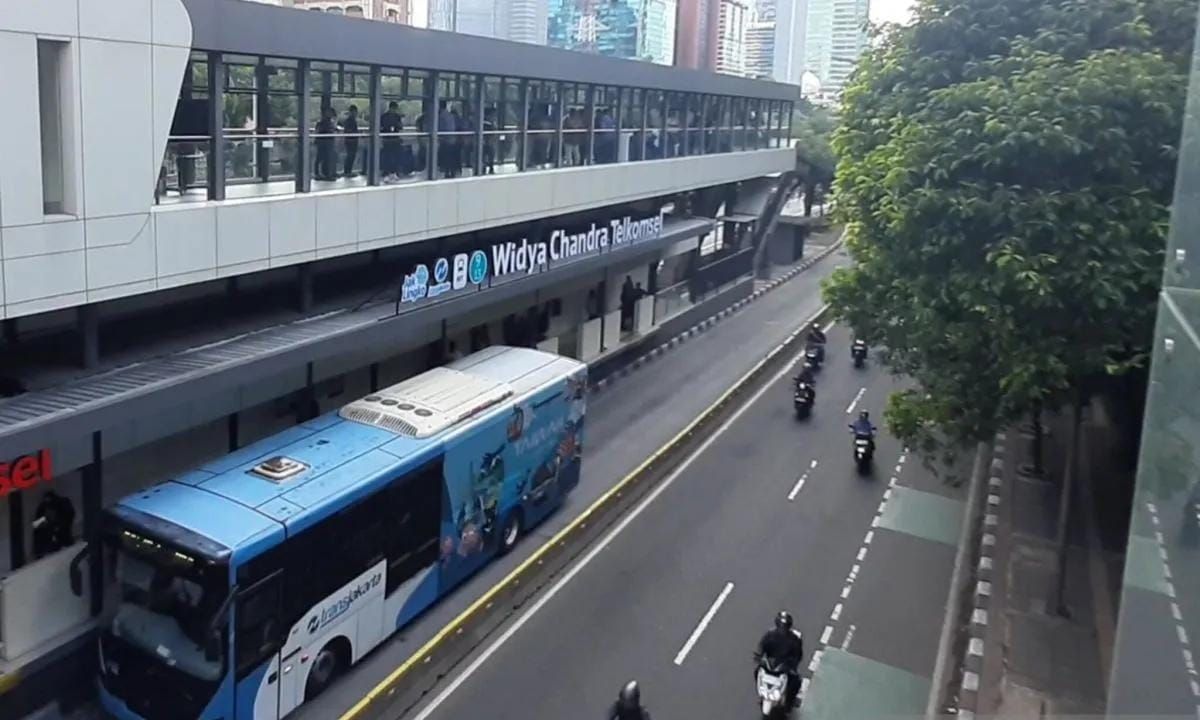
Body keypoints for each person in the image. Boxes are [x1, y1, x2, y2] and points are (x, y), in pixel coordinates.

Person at [756, 610, 804, 708]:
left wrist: (792, 663)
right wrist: (760, 656)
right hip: (771, 664)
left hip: (784, 666)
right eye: (781, 626)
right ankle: (762, 691)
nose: (782, 629)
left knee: (796, 681)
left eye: (784, 627)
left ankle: (791, 700)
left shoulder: (794, 639)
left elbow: (798, 654)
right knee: (757, 671)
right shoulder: (770, 635)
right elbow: (762, 646)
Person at [342, 105, 361, 177]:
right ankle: (347, 171)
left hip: (353, 140)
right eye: (355, 112)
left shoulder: (352, 120)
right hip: (350, 141)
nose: (356, 113)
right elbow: (347, 130)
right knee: (350, 156)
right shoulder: (349, 120)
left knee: (352, 156)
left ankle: (348, 171)